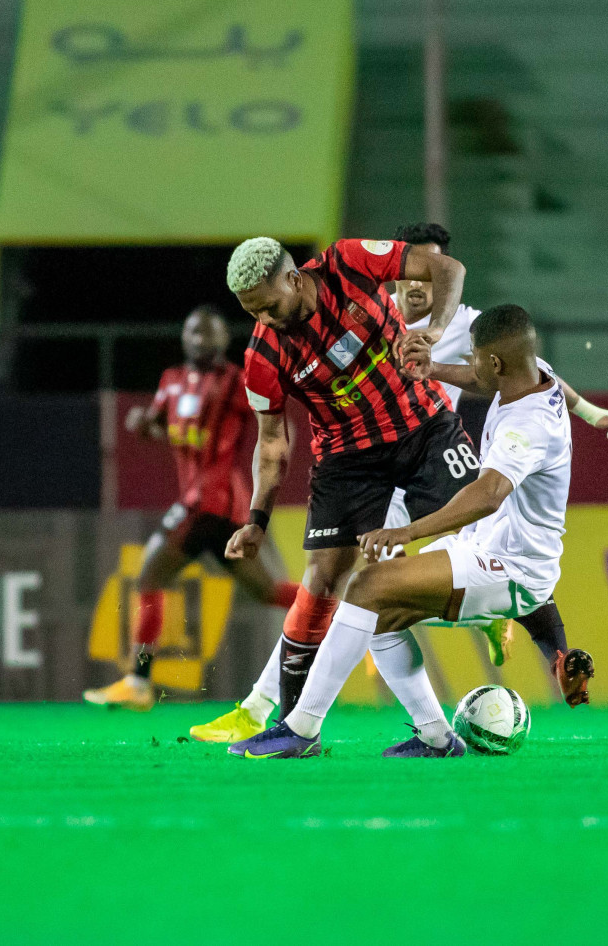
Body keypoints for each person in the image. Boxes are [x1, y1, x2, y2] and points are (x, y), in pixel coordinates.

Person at [230, 303, 588, 759]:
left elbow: (488, 495)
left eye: (475, 356)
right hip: (500, 554)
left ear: (496, 362)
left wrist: (407, 532)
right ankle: (436, 737)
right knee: (373, 619)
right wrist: (433, 368)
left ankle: (301, 730)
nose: (473, 364)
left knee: (366, 586)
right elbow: (482, 380)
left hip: (508, 568)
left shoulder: (528, 425)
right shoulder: (534, 373)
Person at [189, 235, 474, 743]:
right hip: (347, 457)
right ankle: (294, 726)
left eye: (270, 306)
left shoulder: (348, 262)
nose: (267, 320)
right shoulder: (262, 356)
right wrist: (256, 520)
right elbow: (272, 443)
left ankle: (518, 623)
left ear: (294, 278)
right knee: (322, 580)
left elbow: (448, 267)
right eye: (253, 313)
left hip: (424, 426)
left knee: (483, 531)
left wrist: (433, 329)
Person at [384, 223, 608, 675]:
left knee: (377, 596)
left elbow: (489, 491)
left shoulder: (471, 334)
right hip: (487, 527)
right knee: (383, 592)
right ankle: (538, 645)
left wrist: (410, 532)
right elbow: (533, 372)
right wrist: (596, 415)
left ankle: (429, 727)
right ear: (396, 271)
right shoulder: (523, 367)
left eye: (432, 273)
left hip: (442, 472)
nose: (421, 284)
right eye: (414, 271)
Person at [84, 306, 299, 710]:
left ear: (222, 339)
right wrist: (142, 424)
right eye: (194, 332)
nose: (201, 339)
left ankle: (138, 682)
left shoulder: (237, 381)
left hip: (212, 502)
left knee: (150, 576)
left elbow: (274, 414)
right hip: (210, 509)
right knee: (267, 591)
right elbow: (158, 423)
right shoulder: (172, 380)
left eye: (209, 333)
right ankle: (342, 611)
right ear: (184, 337)